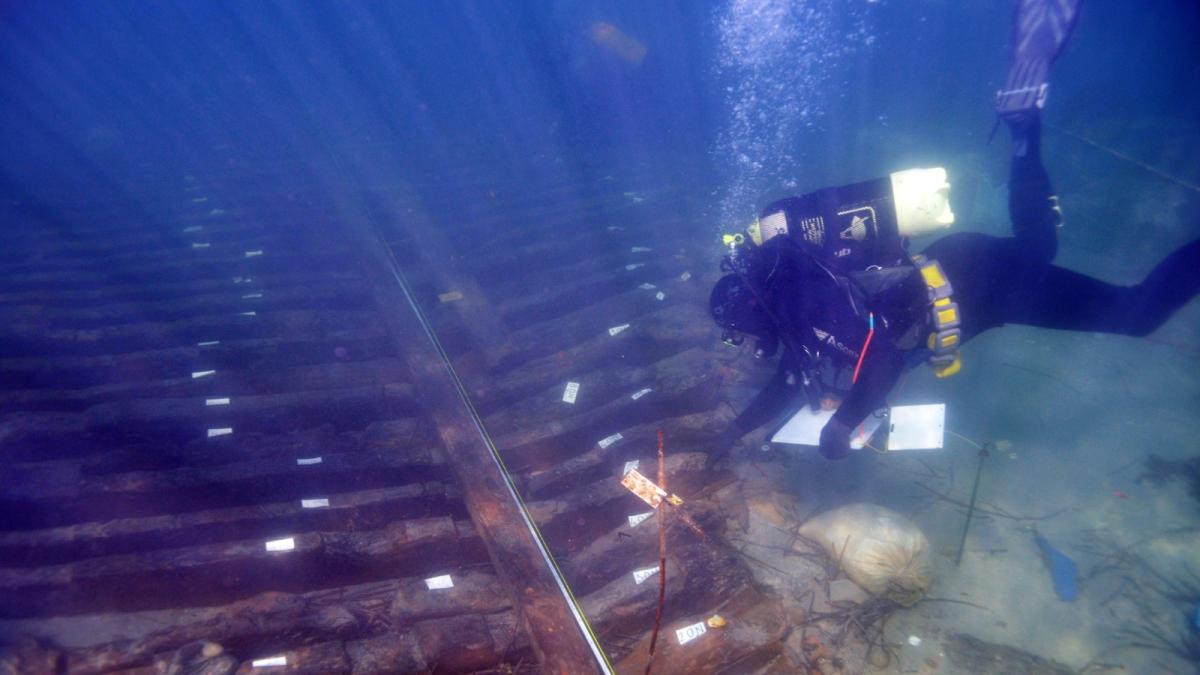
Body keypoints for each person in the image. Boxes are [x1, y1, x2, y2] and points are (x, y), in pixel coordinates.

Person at [708, 109, 1200, 463]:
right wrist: (731, 433)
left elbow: (880, 363)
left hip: (983, 283)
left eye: (738, 332)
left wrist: (841, 426)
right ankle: (1024, 131)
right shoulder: (794, 305)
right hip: (964, 274)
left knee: (1137, 315)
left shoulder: (804, 306)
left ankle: (1025, 131)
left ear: (752, 309)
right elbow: (788, 382)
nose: (747, 342)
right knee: (1039, 246)